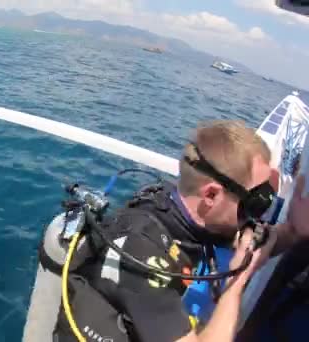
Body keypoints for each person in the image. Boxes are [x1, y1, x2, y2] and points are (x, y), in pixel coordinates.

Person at [51, 120, 309, 342]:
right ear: (211, 195)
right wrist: (238, 282)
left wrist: (295, 230)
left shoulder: (193, 214)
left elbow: (253, 245)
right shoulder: (142, 255)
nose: (257, 216)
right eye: (254, 203)